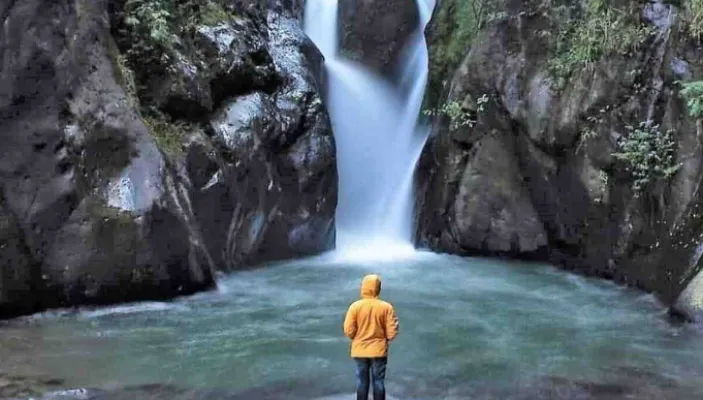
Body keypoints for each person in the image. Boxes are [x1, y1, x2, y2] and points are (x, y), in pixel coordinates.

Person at [343, 274, 399, 400]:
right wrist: (384, 339)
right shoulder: (386, 307)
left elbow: (348, 330)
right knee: (378, 382)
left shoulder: (355, 306)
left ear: (363, 288)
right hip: (379, 351)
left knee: (361, 382)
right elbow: (392, 332)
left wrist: (356, 337)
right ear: (378, 288)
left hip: (359, 350)